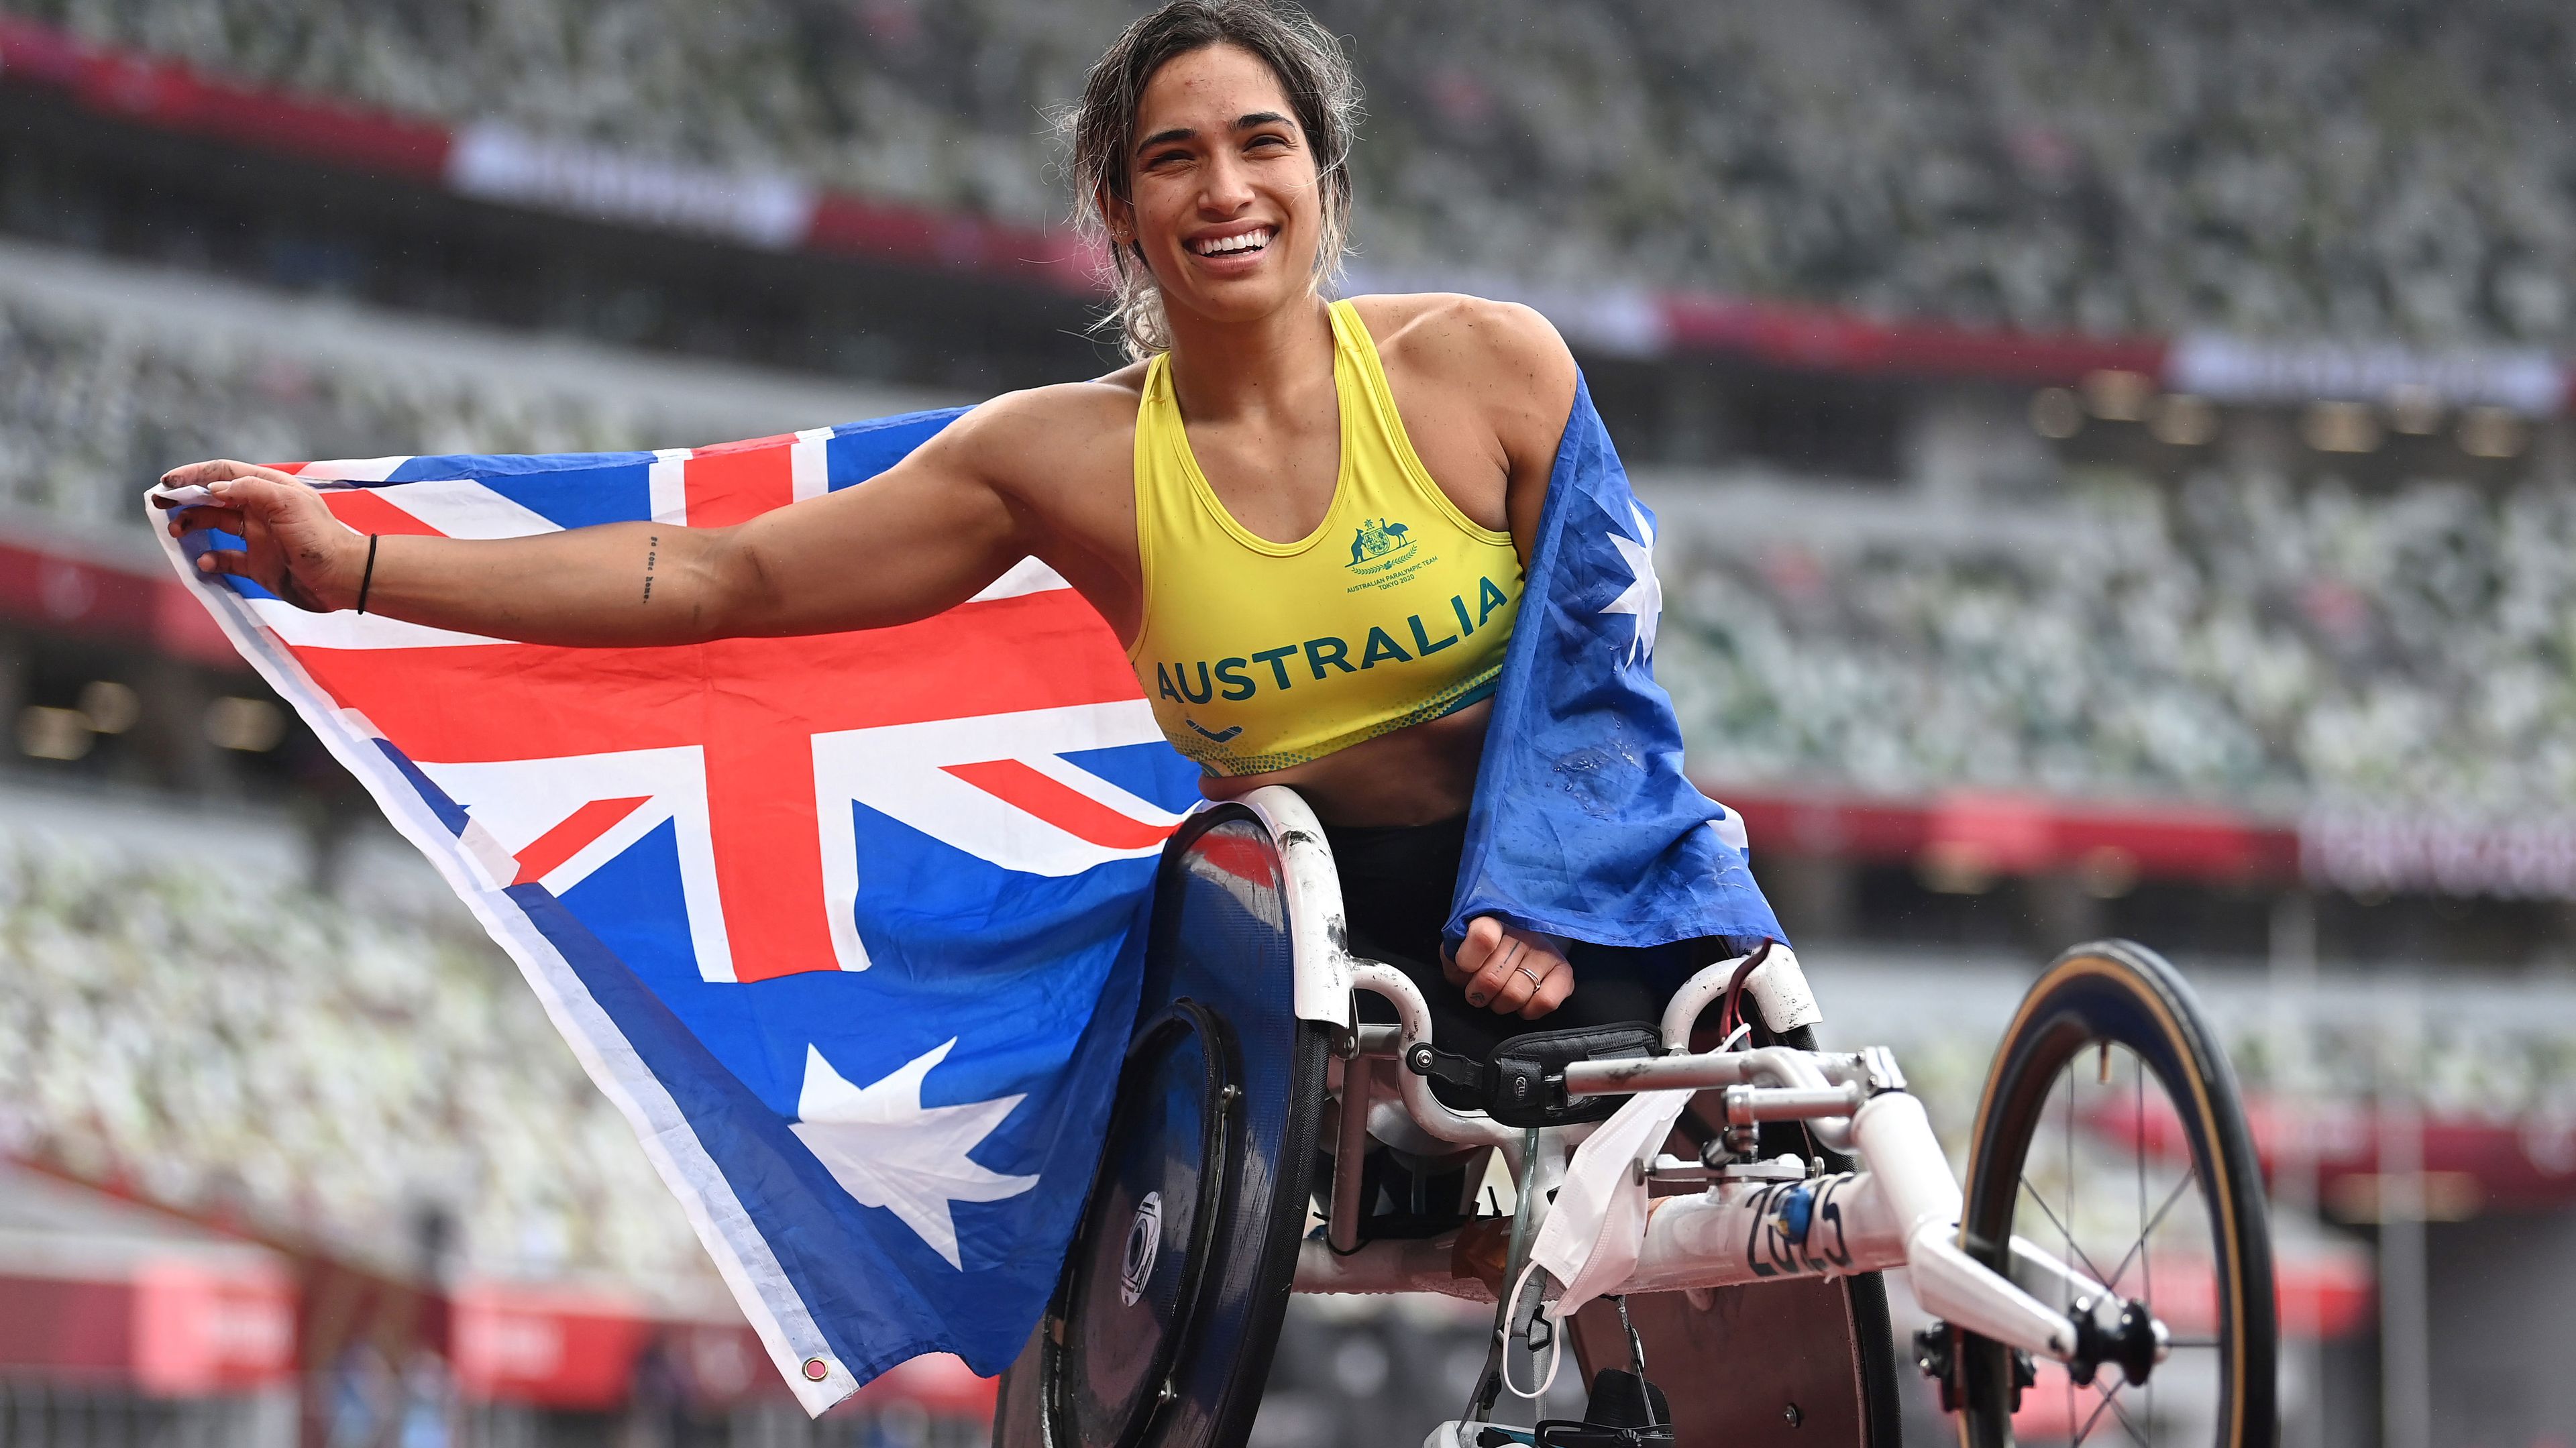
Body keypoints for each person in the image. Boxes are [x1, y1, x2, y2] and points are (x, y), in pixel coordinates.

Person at [160, 0, 1672, 1064]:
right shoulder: (1058, 463)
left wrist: (1545, 897)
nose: (1227, 190)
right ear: (1116, 207)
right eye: (1172, 158)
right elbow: (722, 573)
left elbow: (1605, 667)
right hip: (1303, 944)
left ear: (1322, 181)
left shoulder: (1491, 369)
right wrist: (354, 567)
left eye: (1263, 144)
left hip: (1565, 880)